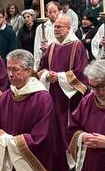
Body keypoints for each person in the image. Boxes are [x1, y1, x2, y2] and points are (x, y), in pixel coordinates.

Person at [37, 15, 89, 144]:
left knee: (68, 125)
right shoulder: (52, 46)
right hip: (53, 92)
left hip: (70, 95)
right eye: (55, 27)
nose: (56, 29)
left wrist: (59, 77)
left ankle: (71, 152)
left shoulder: (77, 45)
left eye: (59, 27)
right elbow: (41, 68)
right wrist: (47, 76)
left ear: (68, 29)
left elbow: (81, 71)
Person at [33, 1, 61, 65]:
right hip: (45, 60)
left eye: (55, 11)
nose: (52, 14)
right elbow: (37, 47)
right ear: (46, 13)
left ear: (59, 12)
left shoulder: (64, 26)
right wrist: (36, 64)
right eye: (50, 12)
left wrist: (50, 47)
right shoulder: (40, 28)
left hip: (59, 59)